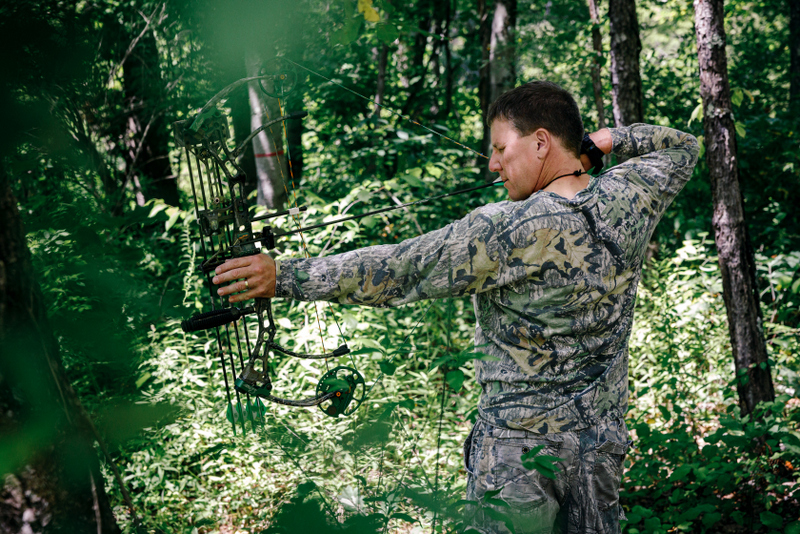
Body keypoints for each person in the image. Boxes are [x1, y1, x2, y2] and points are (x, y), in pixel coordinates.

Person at [211, 81, 698, 533]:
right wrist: (599, 143)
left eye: (501, 148)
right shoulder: (628, 196)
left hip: (518, 455)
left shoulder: (505, 228)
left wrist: (284, 277)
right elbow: (682, 146)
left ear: (542, 143)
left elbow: (401, 269)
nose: (492, 164)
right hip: (599, 453)